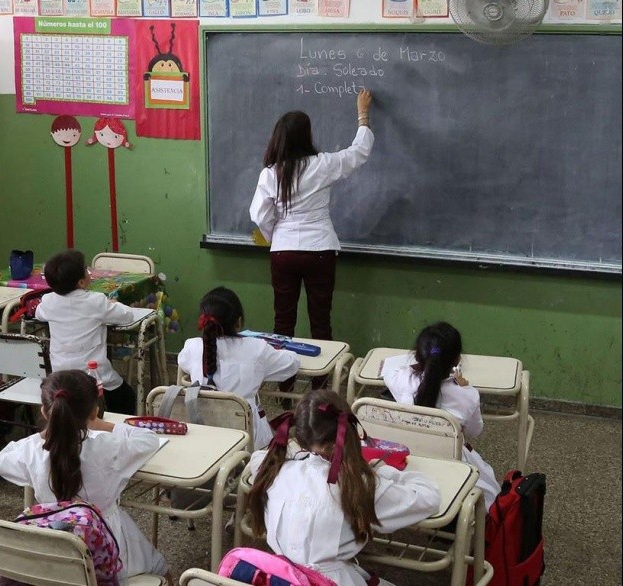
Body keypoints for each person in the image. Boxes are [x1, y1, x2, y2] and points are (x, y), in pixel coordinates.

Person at [247, 388, 440, 586]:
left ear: (300, 434)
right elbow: (429, 497)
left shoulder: (275, 471)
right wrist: (383, 471)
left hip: (279, 577)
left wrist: (295, 452)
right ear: (348, 431)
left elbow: (257, 458)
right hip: (331, 580)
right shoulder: (358, 485)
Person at [0, 370, 168, 580]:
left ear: (45, 412)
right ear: (94, 411)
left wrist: (45, 433)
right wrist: (100, 424)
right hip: (107, 547)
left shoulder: (31, 451)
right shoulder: (108, 446)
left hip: (52, 551)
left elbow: (1, 461)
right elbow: (148, 439)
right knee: (160, 568)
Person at [249, 89, 374, 380]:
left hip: (283, 252)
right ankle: (320, 388)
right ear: (307, 136)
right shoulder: (322, 165)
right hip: (320, 250)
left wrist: (275, 235)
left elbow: (259, 215)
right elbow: (358, 153)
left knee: (283, 323)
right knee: (321, 322)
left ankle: (284, 388)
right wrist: (363, 115)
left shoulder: (271, 173)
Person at [381, 321, 501, 509]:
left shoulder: (402, 380)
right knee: (490, 486)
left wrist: (413, 368)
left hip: (408, 460)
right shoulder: (467, 395)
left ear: (417, 356)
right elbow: (474, 432)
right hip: (450, 463)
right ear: (457, 360)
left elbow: (387, 370)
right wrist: (464, 387)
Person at [176, 286, 300, 449]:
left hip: (204, 437)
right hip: (249, 442)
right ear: (239, 322)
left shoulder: (193, 347)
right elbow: (292, 364)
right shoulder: (257, 349)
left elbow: (182, 362)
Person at [34, 249, 138, 415]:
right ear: (81, 282)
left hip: (60, 374)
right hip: (94, 374)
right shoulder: (96, 301)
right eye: (86, 269)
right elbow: (127, 316)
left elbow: (38, 313)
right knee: (126, 397)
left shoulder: (48, 301)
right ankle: (115, 426)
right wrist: (114, 303)